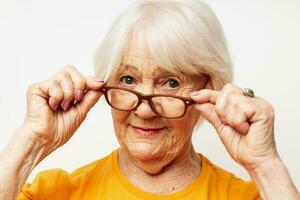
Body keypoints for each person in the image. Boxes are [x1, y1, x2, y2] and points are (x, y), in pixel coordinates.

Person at [0, 0, 299, 199]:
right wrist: (33, 139)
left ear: (211, 90)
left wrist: (265, 165)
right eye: (127, 79)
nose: (143, 110)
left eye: (171, 82)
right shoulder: (55, 193)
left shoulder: (247, 196)